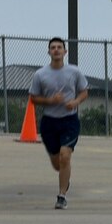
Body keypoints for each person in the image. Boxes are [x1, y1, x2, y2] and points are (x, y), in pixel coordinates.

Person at [27, 36, 87, 208]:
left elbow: (84, 92)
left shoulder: (74, 72)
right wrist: (51, 101)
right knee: (57, 164)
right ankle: (65, 177)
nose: (56, 50)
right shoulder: (40, 74)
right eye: (53, 47)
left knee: (65, 156)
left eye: (59, 47)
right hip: (49, 122)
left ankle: (61, 195)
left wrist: (75, 102)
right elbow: (33, 98)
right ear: (48, 52)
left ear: (65, 51)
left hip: (69, 121)